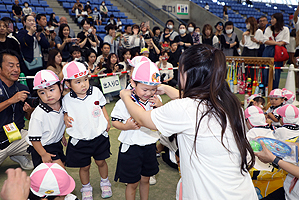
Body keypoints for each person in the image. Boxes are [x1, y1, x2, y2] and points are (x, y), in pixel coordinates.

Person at [119, 44, 258, 199]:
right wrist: (164, 88)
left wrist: (125, 96)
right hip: (242, 191)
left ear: (189, 74)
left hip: (211, 194)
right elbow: (194, 101)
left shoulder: (185, 108)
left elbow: (141, 118)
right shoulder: (229, 101)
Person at [112, 61, 161, 200]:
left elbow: (161, 119)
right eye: (145, 89)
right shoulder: (125, 100)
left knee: (145, 180)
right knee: (132, 183)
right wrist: (126, 126)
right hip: (131, 148)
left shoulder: (155, 99)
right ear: (133, 83)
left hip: (150, 145)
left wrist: (160, 105)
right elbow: (114, 121)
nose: (149, 93)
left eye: (153, 89)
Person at [62, 61, 112, 199]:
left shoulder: (95, 91)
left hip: (99, 135)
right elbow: (65, 112)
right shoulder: (66, 99)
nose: (83, 84)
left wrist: (107, 120)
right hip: (80, 139)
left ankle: (105, 181)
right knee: (84, 166)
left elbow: (102, 106)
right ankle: (86, 187)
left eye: (85, 79)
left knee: (101, 161)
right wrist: (65, 117)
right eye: (78, 82)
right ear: (68, 84)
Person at [0, 49, 34, 170]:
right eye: (11, 65)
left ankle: (17, 154)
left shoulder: (22, 88)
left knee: (43, 141)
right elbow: (11, 101)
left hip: (16, 136)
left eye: (18, 66)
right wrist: (10, 101)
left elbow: (29, 117)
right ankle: (14, 153)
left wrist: (28, 111)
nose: (16, 69)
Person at [27, 70, 66, 168]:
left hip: (55, 143)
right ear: (38, 95)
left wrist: (62, 135)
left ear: (60, 88)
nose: (48, 95)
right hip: (42, 147)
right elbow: (33, 139)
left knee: (61, 167)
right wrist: (43, 154)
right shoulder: (38, 114)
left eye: (51, 89)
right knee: (59, 171)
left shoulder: (64, 104)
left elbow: (58, 122)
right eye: (42, 92)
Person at [18, 15, 50, 92]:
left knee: (39, 84)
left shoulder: (38, 33)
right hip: (27, 63)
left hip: (39, 62)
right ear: (24, 23)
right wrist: (30, 33)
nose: (32, 22)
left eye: (33, 20)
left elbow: (46, 45)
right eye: (29, 20)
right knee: (29, 84)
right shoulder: (21, 32)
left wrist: (39, 38)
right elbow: (25, 43)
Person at [262, 13, 290, 89]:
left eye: (273, 19)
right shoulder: (268, 29)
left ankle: (274, 89)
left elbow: (285, 41)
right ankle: (265, 88)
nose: (271, 21)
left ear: (278, 20)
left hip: (278, 52)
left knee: (276, 71)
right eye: (271, 19)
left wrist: (275, 43)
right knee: (266, 71)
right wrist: (277, 43)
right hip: (268, 51)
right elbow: (265, 40)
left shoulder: (285, 29)